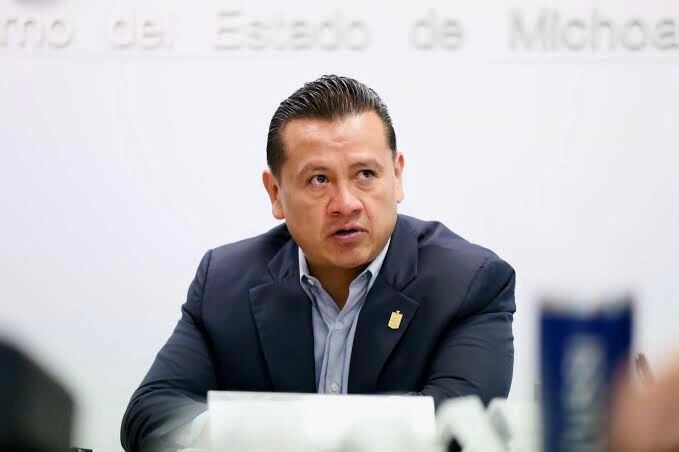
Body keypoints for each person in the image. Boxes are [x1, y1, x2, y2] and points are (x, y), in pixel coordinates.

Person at [120, 75, 516, 452]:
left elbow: (455, 430)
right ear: (275, 193)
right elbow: (151, 414)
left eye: (365, 174)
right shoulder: (224, 281)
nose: (346, 203)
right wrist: (234, 430)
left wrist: (256, 430)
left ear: (397, 177)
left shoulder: (469, 283)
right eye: (319, 180)